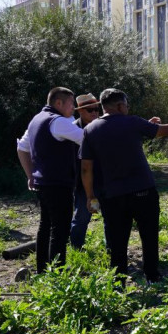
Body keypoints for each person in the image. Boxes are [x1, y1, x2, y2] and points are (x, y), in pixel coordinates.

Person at [80, 88, 168, 284]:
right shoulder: (133, 122)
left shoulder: (90, 130)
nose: (127, 109)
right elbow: (166, 129)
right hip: (143, 191)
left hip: (111, 195)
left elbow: (86, 168)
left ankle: (118, 281)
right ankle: (152, 275)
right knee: (149, 234)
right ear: (120, 106)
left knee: (117, 239)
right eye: (126, 105)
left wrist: (89, 196)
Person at [16, 87, 84, 273]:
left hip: (43, 184)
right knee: (60, 230)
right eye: (71, 104)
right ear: (58, 103)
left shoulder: (36, 120)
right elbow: (86, 139)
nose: (74, 108)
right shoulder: (58, 121)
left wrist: (30, 175)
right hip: (58, 183)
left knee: (45, 227)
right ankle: (57, 276)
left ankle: (42, 271)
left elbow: (22, 148)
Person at [69, 93, 101, 249]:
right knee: (82, 217)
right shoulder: (72, 130)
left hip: (104, 180)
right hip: (82, 183)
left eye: (97, 109)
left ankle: (112, 251)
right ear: (80, 111)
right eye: (90, 110)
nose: (95, 112)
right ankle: (76, 249)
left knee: (111, 217)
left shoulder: (102, 125)